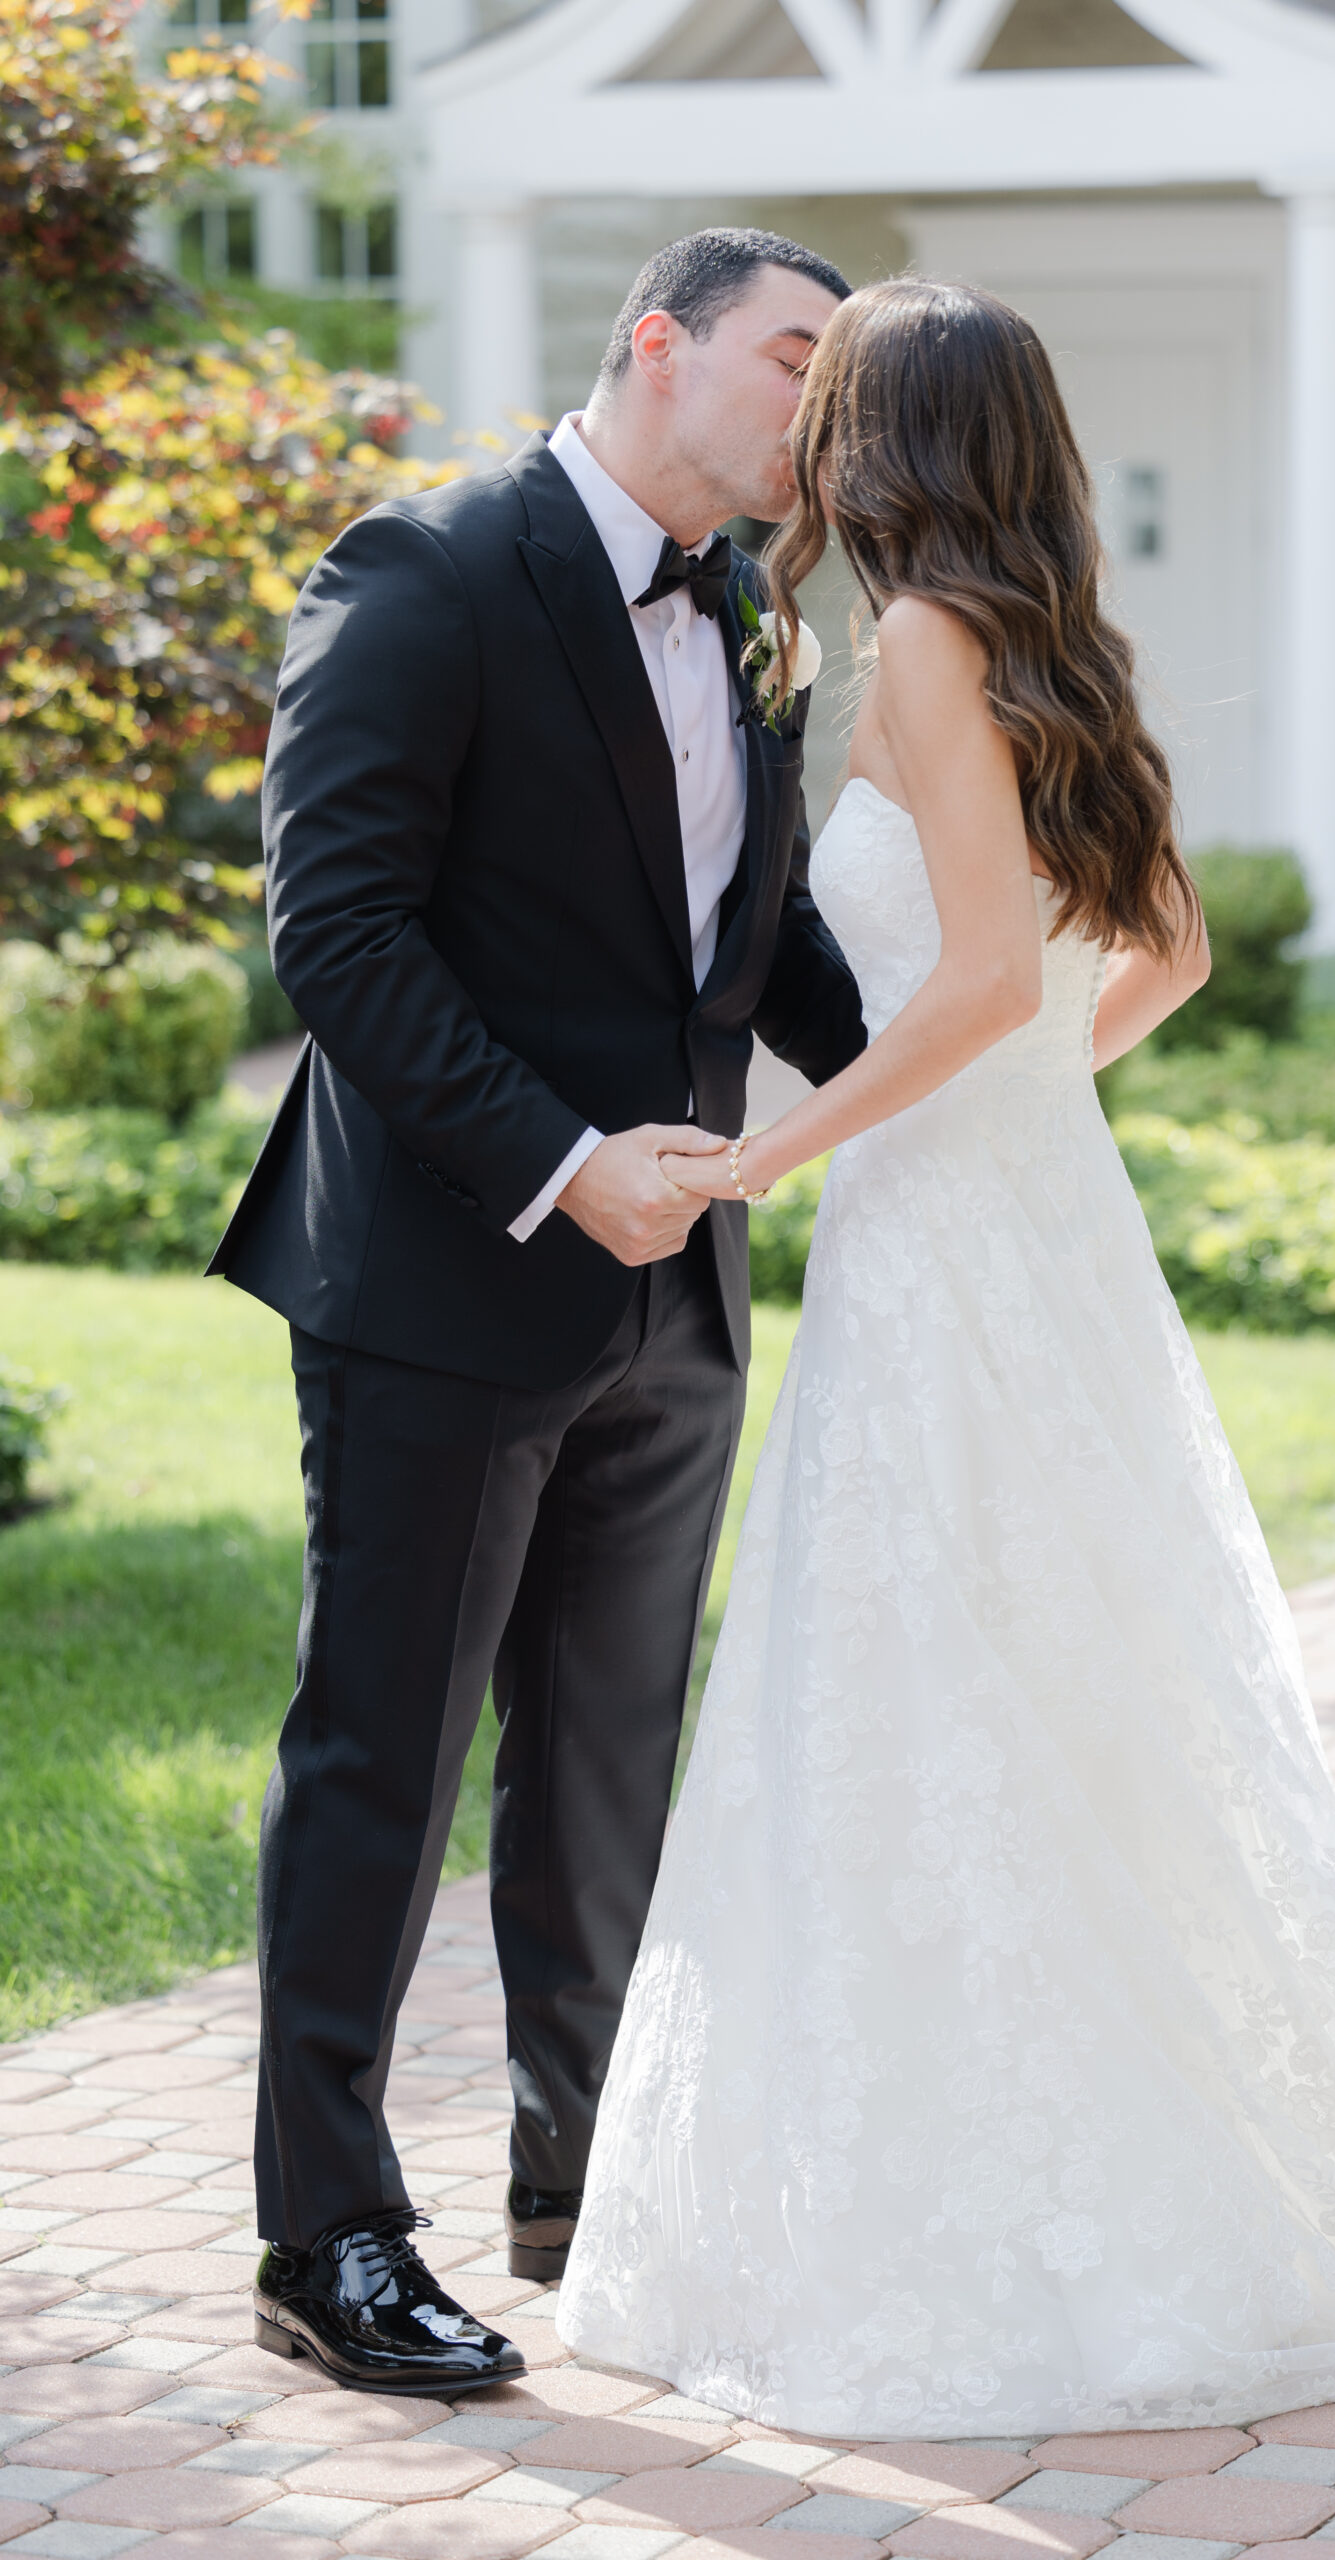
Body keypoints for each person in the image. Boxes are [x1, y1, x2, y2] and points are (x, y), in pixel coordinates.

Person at [555, 277, 1335, 2436]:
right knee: (1067, 1673)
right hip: (1029, 1223)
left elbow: (986, 969)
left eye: (834, 400)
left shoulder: (919, 642)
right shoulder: (1051, 637)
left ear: (879, 441)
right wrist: (1009, 1124)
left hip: (940, 1235)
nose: (802, 434)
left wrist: (783, 1148)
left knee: (927, 1673)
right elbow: (1148, 955)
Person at [208, 228, 868, 2395]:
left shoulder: (756, 616)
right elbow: (344, 931)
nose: (814, 403)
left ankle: (580, 2172)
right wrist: (556, 1167)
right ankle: (326, 2231)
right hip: (441, 1273)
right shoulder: (425, 572)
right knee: (377, 1753)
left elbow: (738, 940)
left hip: (681, 1286)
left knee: (605, 1758)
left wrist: (933, 1076)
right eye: (791, 356)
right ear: (654, 343)